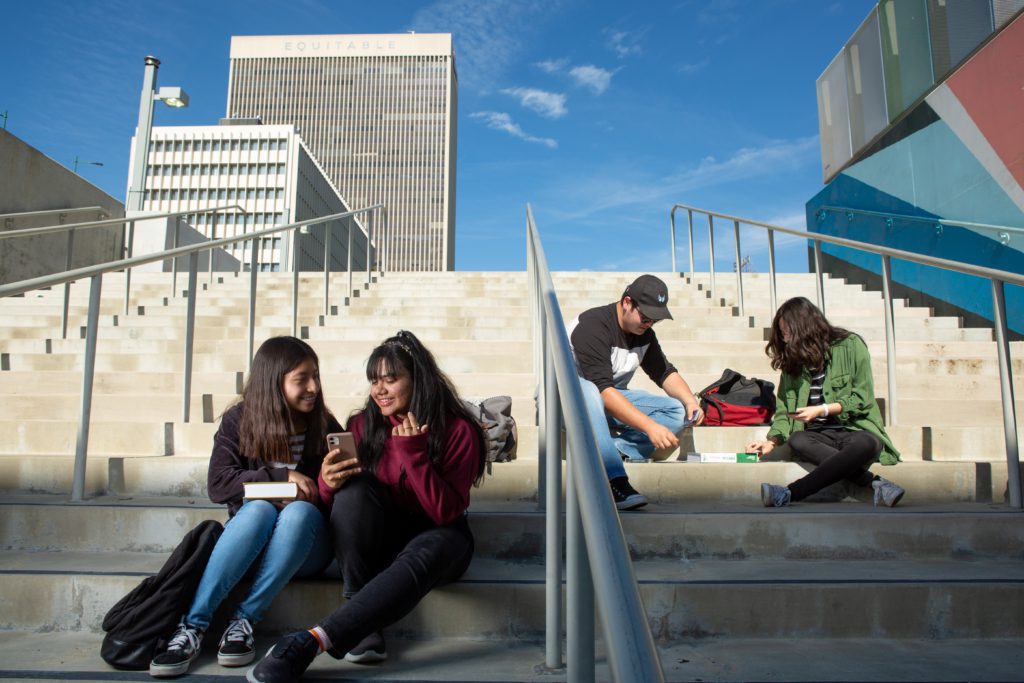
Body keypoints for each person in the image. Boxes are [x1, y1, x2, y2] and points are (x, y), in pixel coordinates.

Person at [247, 330, 486, 683]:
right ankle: (360, 611)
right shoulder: (362, 425)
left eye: (391, 379)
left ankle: (310, 641)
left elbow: (444, 512)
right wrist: (327, 483)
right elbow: (341, 509)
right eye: (375, 381)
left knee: (434, 544)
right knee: (355, 490)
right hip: (382, 540)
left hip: (440, 538)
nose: (380, 390)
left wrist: (413, 454)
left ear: (417, 380)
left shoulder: (459, 430)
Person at [149, 337, 339, 677]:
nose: (314, 387)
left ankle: (245, 619)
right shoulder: (240, 420)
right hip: (250, 546)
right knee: (259, 509)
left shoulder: (322, 424)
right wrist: (281, 477)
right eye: (301, 379)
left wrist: (324, 483)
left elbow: (341, 495)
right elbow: (218, 484)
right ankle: (192, 626)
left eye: (316, 376)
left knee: (298, 512)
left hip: (307, 549)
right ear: (273, 381)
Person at [746, 297, 905, 507]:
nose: (784, 340)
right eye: (782, 334)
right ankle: (876, 484)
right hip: (819, 437)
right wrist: (772, 441)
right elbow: (784, 410)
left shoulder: (851, 346)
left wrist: (821, 410)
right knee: (797, 439)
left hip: (855, 431)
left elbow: (863, 398)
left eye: (787, 333)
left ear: (804, 327)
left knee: (869, 443)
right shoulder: (792, 363)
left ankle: (789, 493)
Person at [568, 274, 704, 510]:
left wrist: (690, 401)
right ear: (627, 302)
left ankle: (618, 448)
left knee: (674, 411)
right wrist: (649, 426)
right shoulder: (592, 325)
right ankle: (613, 479)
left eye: (655, 320)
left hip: (609, 396)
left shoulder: (645, 335)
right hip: (567, 400)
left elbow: (664, 372)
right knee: (590, 391)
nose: (649, 323)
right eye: (645, 316)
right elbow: (602, 392)